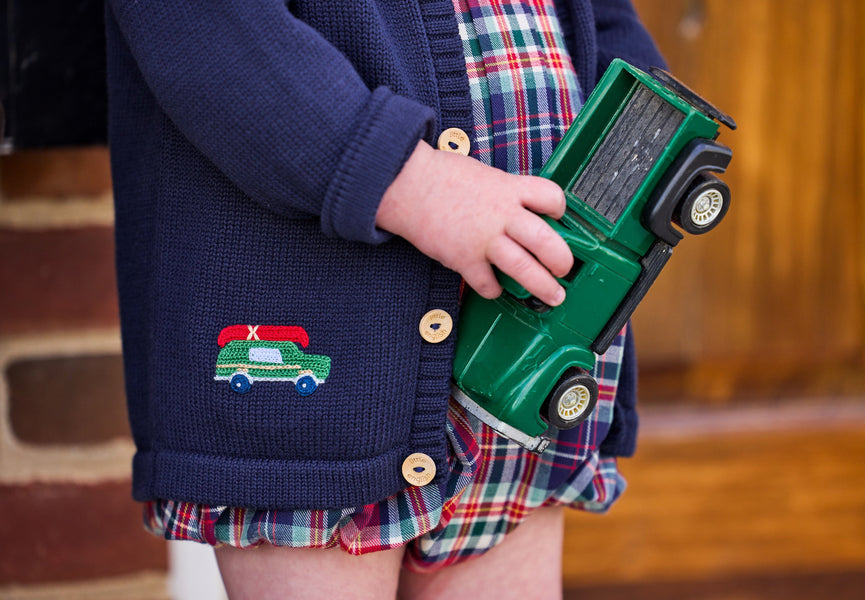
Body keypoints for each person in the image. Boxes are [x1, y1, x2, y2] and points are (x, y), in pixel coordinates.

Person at [105, 0, 664, 598]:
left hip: (529, 356)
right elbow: (206, 24)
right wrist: (405, 180)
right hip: (332, 363)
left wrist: (649, 120)